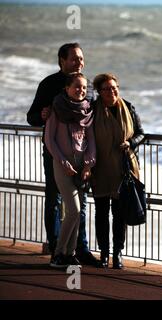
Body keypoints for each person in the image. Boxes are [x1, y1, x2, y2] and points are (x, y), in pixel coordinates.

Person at [27, 43, 99, 266]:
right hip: (55, 154)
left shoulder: (86, 87)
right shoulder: (49, 85)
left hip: (80, 156)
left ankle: (80, 248)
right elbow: (32, 118)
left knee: (82, 204)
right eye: (74, 59)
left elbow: (92, 121)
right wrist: (43, 114)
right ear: (62, 60)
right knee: (55, 200)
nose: (79, 62)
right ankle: (57, 248)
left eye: (81, 59)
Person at [91, 73, 144, 269]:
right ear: (99, 91)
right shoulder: (93, 110)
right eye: (107, 89)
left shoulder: (128, 107)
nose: (112, 91)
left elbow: (140, 133)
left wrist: (130, 142)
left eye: (115, 87)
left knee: (120, 213)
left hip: (124, 167)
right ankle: (104, 253)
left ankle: (117, 253)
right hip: (100, 167)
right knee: (101, 212)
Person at [44, 72, 95, 267]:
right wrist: (64, 163)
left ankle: (69, 254)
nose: (80, 90)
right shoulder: (57, 109)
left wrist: (89, 164)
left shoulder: (87, 109)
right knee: (73, 210)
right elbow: (50, 140)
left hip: (82, 167)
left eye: (83, 87)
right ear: (67, 88)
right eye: (77, 86)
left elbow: (91, 140)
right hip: (63, 166)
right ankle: (58, 254)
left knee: (78, 211)